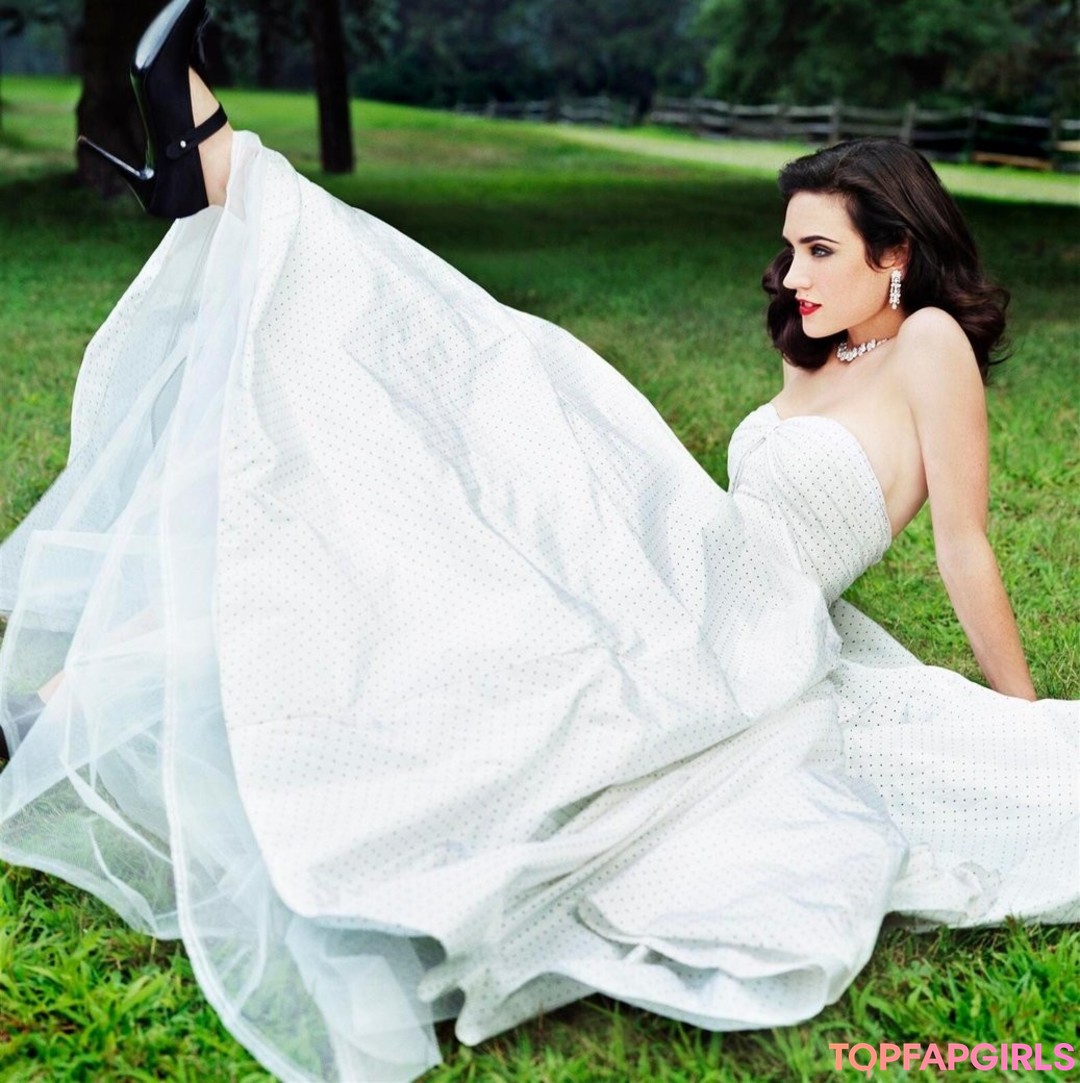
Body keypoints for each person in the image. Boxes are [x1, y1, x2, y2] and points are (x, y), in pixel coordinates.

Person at [0, 2, 1075, 1081]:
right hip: (697, 573)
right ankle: (69, 697)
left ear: (897, 253)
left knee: (509, 381)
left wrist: (1018, 714)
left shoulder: (928, 342)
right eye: (789, 246)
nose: (791, 274)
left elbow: (964, 546)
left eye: (820, 250)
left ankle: (227, 170)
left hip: (747, 610)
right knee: (422, 522)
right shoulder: (826, 354)